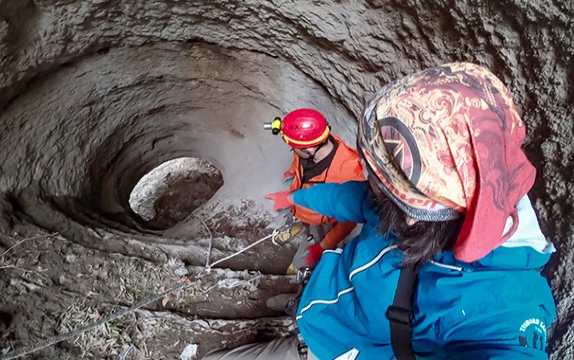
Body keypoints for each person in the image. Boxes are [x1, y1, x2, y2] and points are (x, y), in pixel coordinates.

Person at [204, 63, 556, 360]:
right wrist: (298, 200)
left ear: (413, 213)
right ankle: (298, 307)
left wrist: (322, 244)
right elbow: (353, 198)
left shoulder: (502, 310)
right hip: (323, 315)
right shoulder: (413, 206)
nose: (366, 179)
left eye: (376, 179)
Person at [264, 108, 365, 271]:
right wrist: (292, 172)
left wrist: (324, 245)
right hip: (301, 207)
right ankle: (299, 224)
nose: (292, 150)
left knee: (305, 261)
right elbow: (299, 159)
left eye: (293, 147)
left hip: (323, 222)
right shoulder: (313, 145)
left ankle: (299, 269)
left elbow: (348, 221)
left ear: (307, 149)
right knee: (299, 217)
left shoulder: (346, 172)